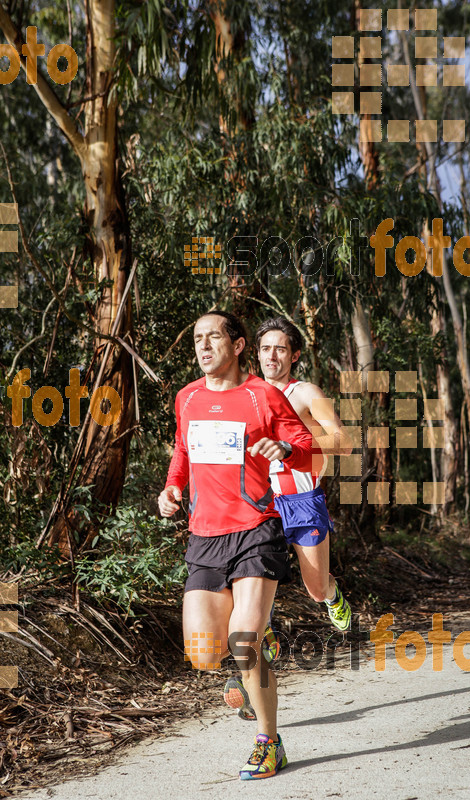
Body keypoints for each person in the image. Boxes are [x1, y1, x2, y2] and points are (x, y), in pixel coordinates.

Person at [158, 310, 313, 780]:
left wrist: (283, 450)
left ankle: (269, 742)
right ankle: (259, 648)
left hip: (256, 529)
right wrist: (171, 489)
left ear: (239, 344)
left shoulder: (262, 395)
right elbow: (182, 453)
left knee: (243, 641)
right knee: (205, 653)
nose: (204, 346)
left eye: (214, 337)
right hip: (205, 536)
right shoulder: (187, 398)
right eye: (198, 339)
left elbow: (304, 443)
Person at [256, 316, 353, 631]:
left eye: (280, 350)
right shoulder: (246, 394)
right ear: (256, 354)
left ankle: (332, 596)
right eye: (266, 349)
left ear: (294, 355)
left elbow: (344, 443)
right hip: (258, 500)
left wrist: (292, 446)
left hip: (300, 497)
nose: (272, 356)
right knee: (252, 574)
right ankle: (261, 634)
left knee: (315, 588)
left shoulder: (305, 392)